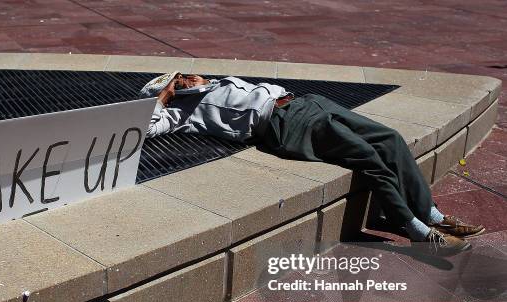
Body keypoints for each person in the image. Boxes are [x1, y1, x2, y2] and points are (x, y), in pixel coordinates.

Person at [139, 72, 484, 254]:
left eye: (184, 74)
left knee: (389, 139)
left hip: (308, 103)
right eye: (178, 81)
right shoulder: (183, 112)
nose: (187, 78)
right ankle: (416, 229)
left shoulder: (218, 81)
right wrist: (165, 97)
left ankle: (433, 215)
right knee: (369, 158)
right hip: (284, 125)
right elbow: (151, 128)